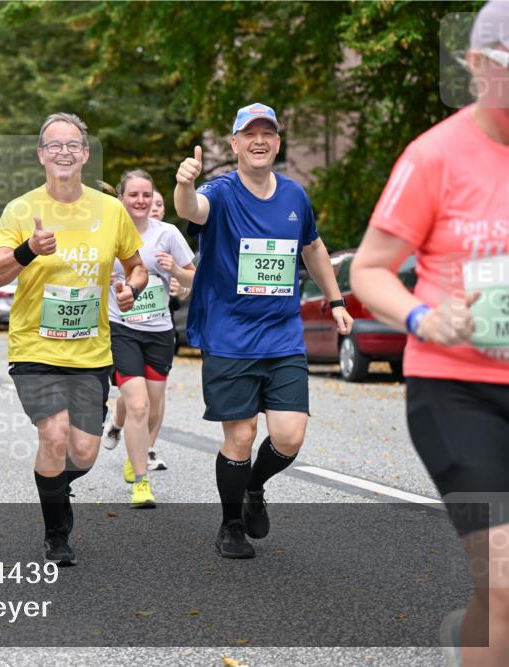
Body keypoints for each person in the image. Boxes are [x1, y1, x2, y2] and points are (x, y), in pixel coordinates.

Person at [350, 4, 508, 664]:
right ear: (476, 65)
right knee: (503, 582)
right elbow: (369, 270)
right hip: (457, 391)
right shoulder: (435, 156)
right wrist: (422, 315)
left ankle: (468, 639)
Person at [174, 102, 353, 559]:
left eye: (267, 134)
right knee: (240, 436)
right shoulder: (220, 191)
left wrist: (335, 301)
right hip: (231, 336)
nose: (259, 141)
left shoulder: (295, 196)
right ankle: (231, 524)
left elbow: (312, 248)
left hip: (281, 335)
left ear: (277, 142)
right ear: (234, 144)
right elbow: (192, 210)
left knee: (290, 435)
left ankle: (254, 487)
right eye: (249, 134)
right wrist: (183, 183)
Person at [0, 112, 147, 564]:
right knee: (54, 436)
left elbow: (138, 265)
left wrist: (130, 287)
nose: (63, 152)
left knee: (84, 450)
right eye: (54, 145)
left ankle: (55, 487)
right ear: (41, 155)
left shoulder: (110, 209)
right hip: (34, 345)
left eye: (72, 145)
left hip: (90, 350)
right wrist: (29, 250)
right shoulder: (21, 209)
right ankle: (56, 533)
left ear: (85, 154)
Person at [100, 170, 194, 507]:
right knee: (137, 403)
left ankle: (134, 454)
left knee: (153, 406)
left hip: (159, 330)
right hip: (121, 328)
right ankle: (142, 482)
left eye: (146, 195)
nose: (140, 201)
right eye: (133, 195)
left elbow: (192, 279)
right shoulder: (107, 233)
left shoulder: (167, 234)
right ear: (121, 198)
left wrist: (178, 279)